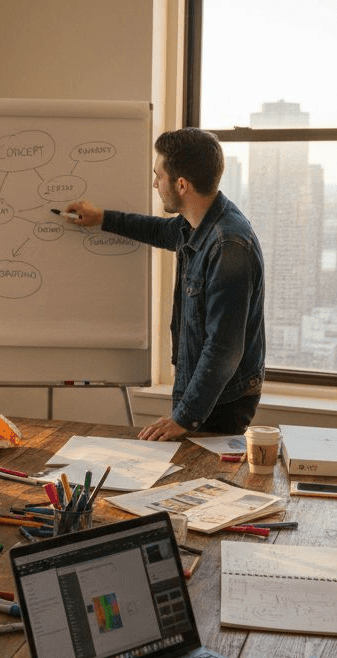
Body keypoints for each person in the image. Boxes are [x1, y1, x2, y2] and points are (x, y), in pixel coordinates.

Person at [66, 127, 264, 441]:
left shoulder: (228, 246)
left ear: (181, 184)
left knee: (208, 485)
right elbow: (160, 231)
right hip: (198, 387)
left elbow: (224, 350)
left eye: (159, 176)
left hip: (221, 400)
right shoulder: (197, 223)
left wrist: (184, 418)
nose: (155, 183)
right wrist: (101, 218)